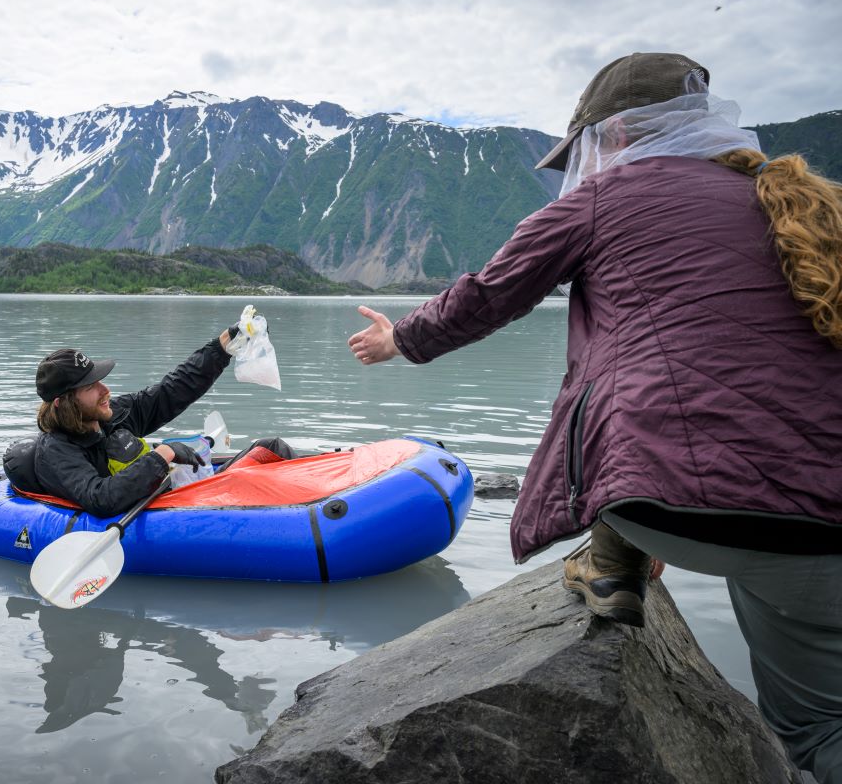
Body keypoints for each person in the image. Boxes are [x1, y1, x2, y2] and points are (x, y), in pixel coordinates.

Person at [347, 52, 842, 781]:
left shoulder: (603, 199)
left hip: (668, 508)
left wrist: (400, 338)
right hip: (822, 525)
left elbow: (491, 293)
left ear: (609, 137)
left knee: (635, 388)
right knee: (820, 726)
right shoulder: (808, 206)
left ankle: (615, 560)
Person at [3, 327, 294, 518]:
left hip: (179, 494)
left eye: (100, 381)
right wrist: (163, 454)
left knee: (272, 447)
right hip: (171, 510)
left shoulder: (111, 415)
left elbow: (170, 391)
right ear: (64, 402)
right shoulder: (57, 451)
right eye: (91, 387)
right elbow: (101, 498)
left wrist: (220, 349)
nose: (106, 391)